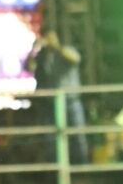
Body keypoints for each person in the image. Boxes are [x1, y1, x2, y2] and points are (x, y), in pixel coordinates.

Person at [25, 29, 88, 164]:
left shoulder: (66, 50)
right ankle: (56, 169)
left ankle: (82, 168)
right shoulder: (41, 56)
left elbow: (75, 59)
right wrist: (33, 49)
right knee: (51, 139)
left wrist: (57, 48)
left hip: (71, 101)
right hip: (49, 103)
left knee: (78, 136)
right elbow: (28, 67)